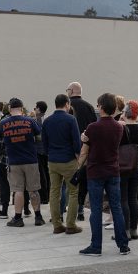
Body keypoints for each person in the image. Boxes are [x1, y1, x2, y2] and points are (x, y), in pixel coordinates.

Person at [78, 93, 129, 256]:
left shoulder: (93, 127)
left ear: (101, 106)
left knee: (96, 209)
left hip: (95, 171)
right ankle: (123, 245)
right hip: (113, 170)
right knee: (116, 207)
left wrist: (84, 138)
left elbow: (88, 143)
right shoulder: (119, 127)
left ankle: (96, 246)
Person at [0, 98, 45, 227]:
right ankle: (38, 217)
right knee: (34, 190)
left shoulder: (4, 123)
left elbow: (1, 142)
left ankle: (18, 218)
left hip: (14, 161)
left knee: (18, 190)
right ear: (22, 108)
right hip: (31, 160)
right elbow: (39, 136)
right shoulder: (30, 121)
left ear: (9, 109)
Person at [43, 94, 83, 234]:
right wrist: (79, 158)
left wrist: (50, 154)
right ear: (67, 104)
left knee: (54, 192)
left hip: (53, 161)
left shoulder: (47, 121)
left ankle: (57, 224)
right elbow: (76, 142)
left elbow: (44, 143)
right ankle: (71, 224)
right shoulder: (71, 119)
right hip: (68, 160)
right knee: (73, 191)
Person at [67, 82, 97, 222]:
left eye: (68, 89)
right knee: (83, 179)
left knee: (68, 180)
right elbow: (94, 126)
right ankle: (80, 208)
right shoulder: (89, 107)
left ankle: (66, 207)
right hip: (86, 147)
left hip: (69, 149)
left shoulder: (67, 106)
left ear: (71, 91)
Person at [118, 99, 138, 241]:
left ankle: (126, 230)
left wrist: (120, 120)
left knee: (123, 199)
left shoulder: (120, 128)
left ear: (125, 113)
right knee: (133, 198)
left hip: (122, 167)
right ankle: (134, 230)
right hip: (136, 165)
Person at [34, 101, 51, 205]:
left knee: (42, 174)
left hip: (39, 150)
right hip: (47, 150)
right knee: (47, 173)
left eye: (35, 108)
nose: (34, 110)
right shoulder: (47, 119)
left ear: (39, 109)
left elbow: (39, 135)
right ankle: (47, 195)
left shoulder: (38, 120)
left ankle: (44, 197)